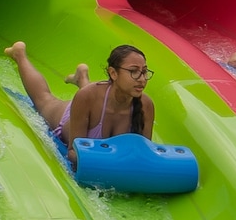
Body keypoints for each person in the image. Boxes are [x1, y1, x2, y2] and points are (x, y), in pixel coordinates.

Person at [8, 39, 155, 145]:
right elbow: (73, 153)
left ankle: (82, 77)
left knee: (90, 94)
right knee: (44, 99)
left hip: (90, 102)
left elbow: (145, 153)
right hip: (72, 116)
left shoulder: (146, 105)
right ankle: (19, 54)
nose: (142, 79)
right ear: (113, 73)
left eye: (144, 72)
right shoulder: (87, 96)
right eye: (133, 71)